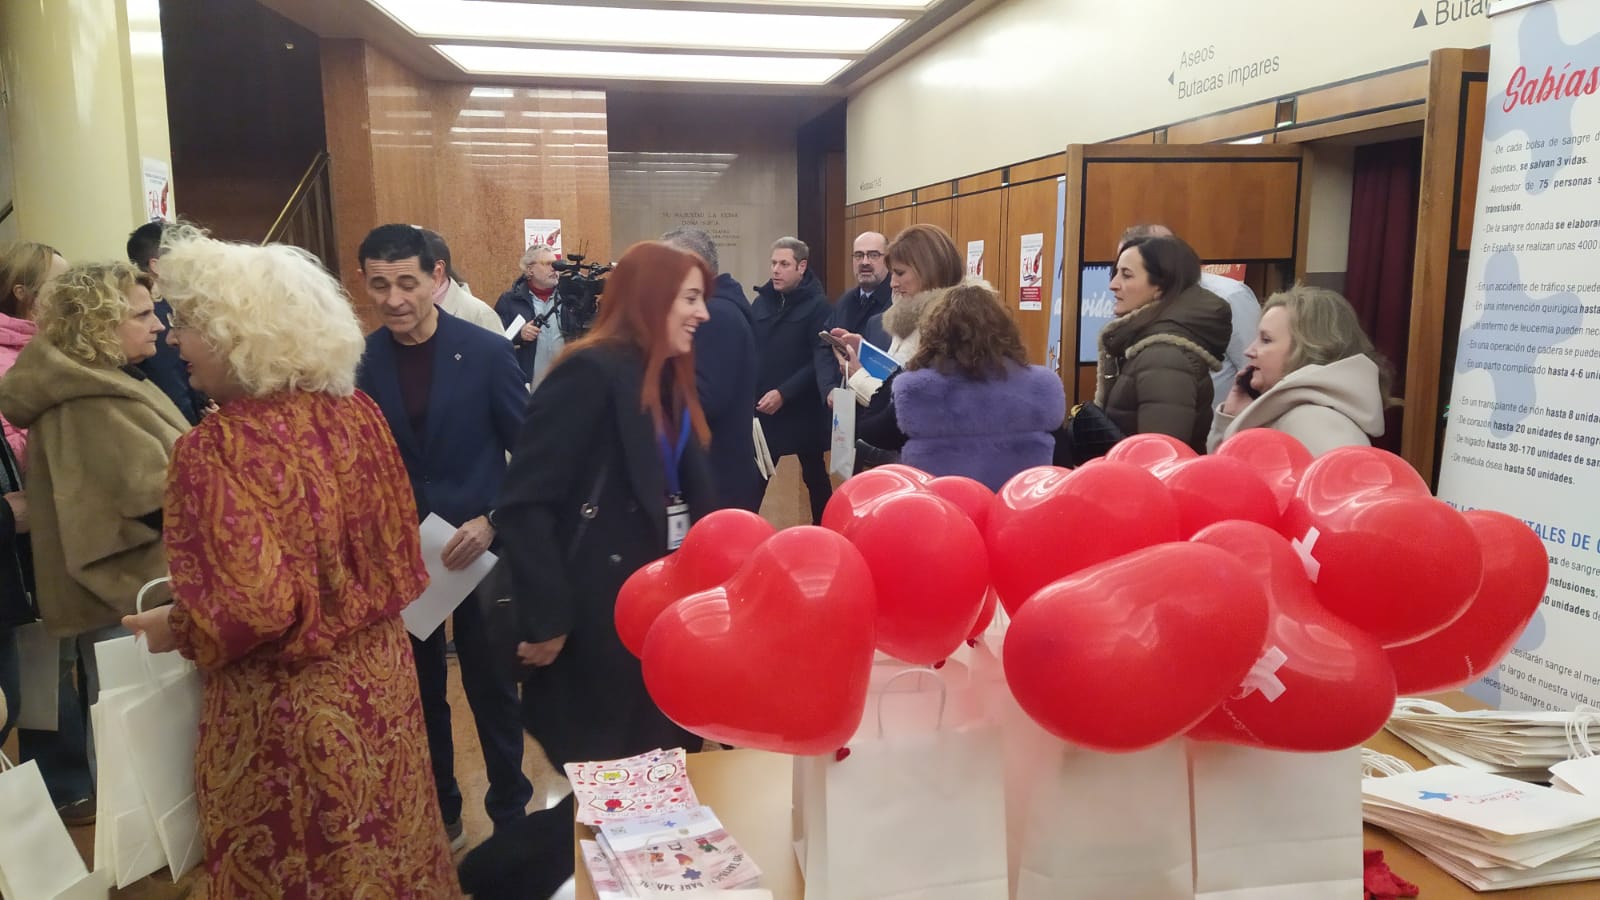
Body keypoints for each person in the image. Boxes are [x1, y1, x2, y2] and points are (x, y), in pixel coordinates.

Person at [120, 228, 460, 897]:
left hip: (287, 709)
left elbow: (253, 609)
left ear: (238, 335)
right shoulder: (358, 414)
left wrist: (177, 628)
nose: (171, 338)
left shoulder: (214, 449)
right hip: (382, 685)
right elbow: (399, 556)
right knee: (389, 848)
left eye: (186, 322)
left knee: (304, 864)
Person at [495, 240, 711, 775]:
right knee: (613, 780)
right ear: (652, 298)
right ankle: (503, 863)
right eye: (690, 298)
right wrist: (549, 619)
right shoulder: (589, 372)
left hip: (661, 612)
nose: (703, 313)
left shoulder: (666, 376)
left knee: (660, 773)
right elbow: (525, 503)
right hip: (598, 618)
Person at [354, 224, 533, 848]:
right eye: (380, 285)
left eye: (407, 282)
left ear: (437, 278)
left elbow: (530, 456)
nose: (395, 298)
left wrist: (492, 520)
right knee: (420, 694)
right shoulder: (359, 363)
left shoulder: (484, 352)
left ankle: (512, 812)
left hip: (479, 552)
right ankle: (442, 811)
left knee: (493, 692)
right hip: (403, 561)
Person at [0, 261, 186, 701]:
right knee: (136, 746)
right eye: (141, 315)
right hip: (128, 604)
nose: (158, 324)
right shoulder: (88, 403)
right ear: (97, 323)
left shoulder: (103, 385)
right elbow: (129, 514)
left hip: (129, 604)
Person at [855, 283, 1066, 491]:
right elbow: (1063, 461)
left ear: (936, 334)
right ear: (1005, 332)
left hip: (944, 512)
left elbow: (871, 432)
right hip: (1019, 509)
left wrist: (895, 375)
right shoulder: (1041, 387)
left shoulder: (919, 390)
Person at [1207, 285, 1389, 456]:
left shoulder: (1315, 421)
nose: (1249, 351)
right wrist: (1232, 416)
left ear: (1310, 349)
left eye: (1266, 340)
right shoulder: (1294, 412)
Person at [1098, 234, 1231, 453]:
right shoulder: (1150, 347)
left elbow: (1161, 458)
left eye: (1126, 275)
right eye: (1115, 274)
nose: (1113, 285)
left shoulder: (1164, 358)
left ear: (1160, 287)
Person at [662, 226, 763, 512]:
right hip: (716, 474)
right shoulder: (720, 308)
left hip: (716, 480)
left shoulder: (715, 315)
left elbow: (703, 399)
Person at [1120, 224, 1260, 405]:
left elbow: (1253, 368)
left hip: (1219, 426)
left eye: (1128, 272)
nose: (1117, 282)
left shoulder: (1230, 295)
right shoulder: (1142, 303)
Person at [830, 224, 966, 407]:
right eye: (893, 273)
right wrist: (865, 353)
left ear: (929, 271)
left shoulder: (951, 326)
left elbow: (911, 405)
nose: (892, 283)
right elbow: (894, 378)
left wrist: (858, 378)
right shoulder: (908, 318)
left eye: (900, 273)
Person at [752, 237, 832, 524]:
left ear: (801, 266)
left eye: (784, 264)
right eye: (774, 263)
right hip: (766, 408)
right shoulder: (761, 302)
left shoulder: (818, 306)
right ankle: (745, 532)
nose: (776, 270)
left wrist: (784, 393)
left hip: (802, 408)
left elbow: (819, 360)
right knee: (756, 477)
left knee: (814, 476)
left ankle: (826, 529)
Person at [128, 222, 209, 424]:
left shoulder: (174, 306)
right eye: (189, 258)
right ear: (157, 266)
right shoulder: (155, 313)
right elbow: (172, 388)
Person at [0, 240, 67, 460]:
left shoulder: (59, 344)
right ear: (21, 292)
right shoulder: (6, 362)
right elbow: (11, 454)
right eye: (60, 285)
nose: (72, 295)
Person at [814, 231, 893, 406]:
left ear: (888, 260)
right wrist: (829, 388)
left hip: (875, 405)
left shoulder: (896, 304)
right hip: (841, 406)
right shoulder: (845, 301)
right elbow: (824, 347)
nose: (865, 262)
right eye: (859, 255)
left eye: (873, 255)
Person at [497, 244, 566, 386]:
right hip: (528, 387)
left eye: (556, 264)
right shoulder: (510, 300)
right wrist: (519, 335)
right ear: (529, 269)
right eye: (547, 264)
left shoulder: (569, 298)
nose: (554, 268)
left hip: (566, 386)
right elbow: (495, 341)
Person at [421, 228, 507, 334]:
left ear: (437, 273)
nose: (395, 299)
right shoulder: (402, 314)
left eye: (406, 281)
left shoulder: (479, 316)